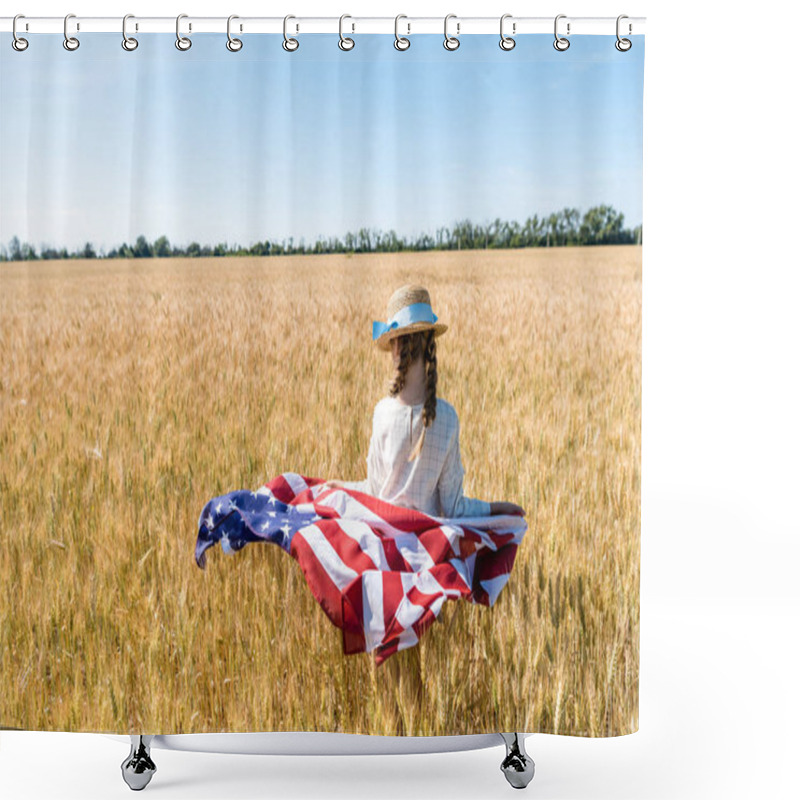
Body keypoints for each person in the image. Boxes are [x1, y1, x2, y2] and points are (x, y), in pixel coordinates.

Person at [323, 284, 525, 730]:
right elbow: (452, 505)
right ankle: (424, 742)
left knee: (388, 676)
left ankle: (391, 742)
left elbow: (374, 496)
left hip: (379, 559)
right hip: (427, 564)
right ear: (428, 347)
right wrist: (497, 507)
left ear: (399, 346)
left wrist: (338, 490)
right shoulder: (447, 418)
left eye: (392, 343)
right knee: (418, 684)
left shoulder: (382, 414)